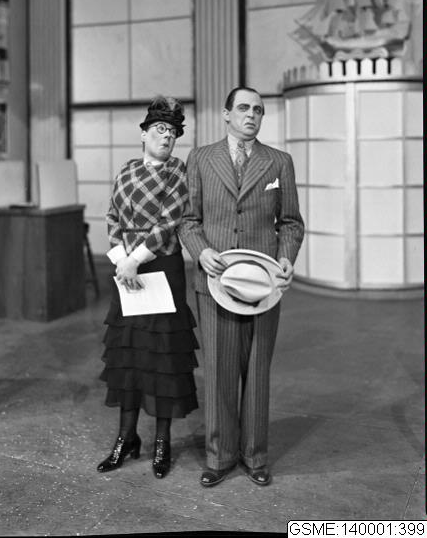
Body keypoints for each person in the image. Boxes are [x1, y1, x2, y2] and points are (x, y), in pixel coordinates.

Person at [178, 86, 304, 487]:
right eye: (245, 108)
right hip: (215, 281)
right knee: (218, 371)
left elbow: (291, 222)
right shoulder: (200, 158)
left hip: (263, 284)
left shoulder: (279, 162)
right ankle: (220, 457)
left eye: (259, 110)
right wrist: (200, 252)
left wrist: (287, 256)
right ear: (226, 114)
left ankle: (255, 456)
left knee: (257, 370)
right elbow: (188, 219)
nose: (252, 115)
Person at [97, 95, 199, 479]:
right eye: (160, 129)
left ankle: (161, 441)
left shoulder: (178, 172)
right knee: (128, 353)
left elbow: (168, 223)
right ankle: (126, 437)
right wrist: (120, 260)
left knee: (161, 355)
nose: (167, 136)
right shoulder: (126, 170)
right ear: (143, 133)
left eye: (173, 132)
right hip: (126, 270)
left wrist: (134, 259)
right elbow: (112, 216)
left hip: (160, 268)